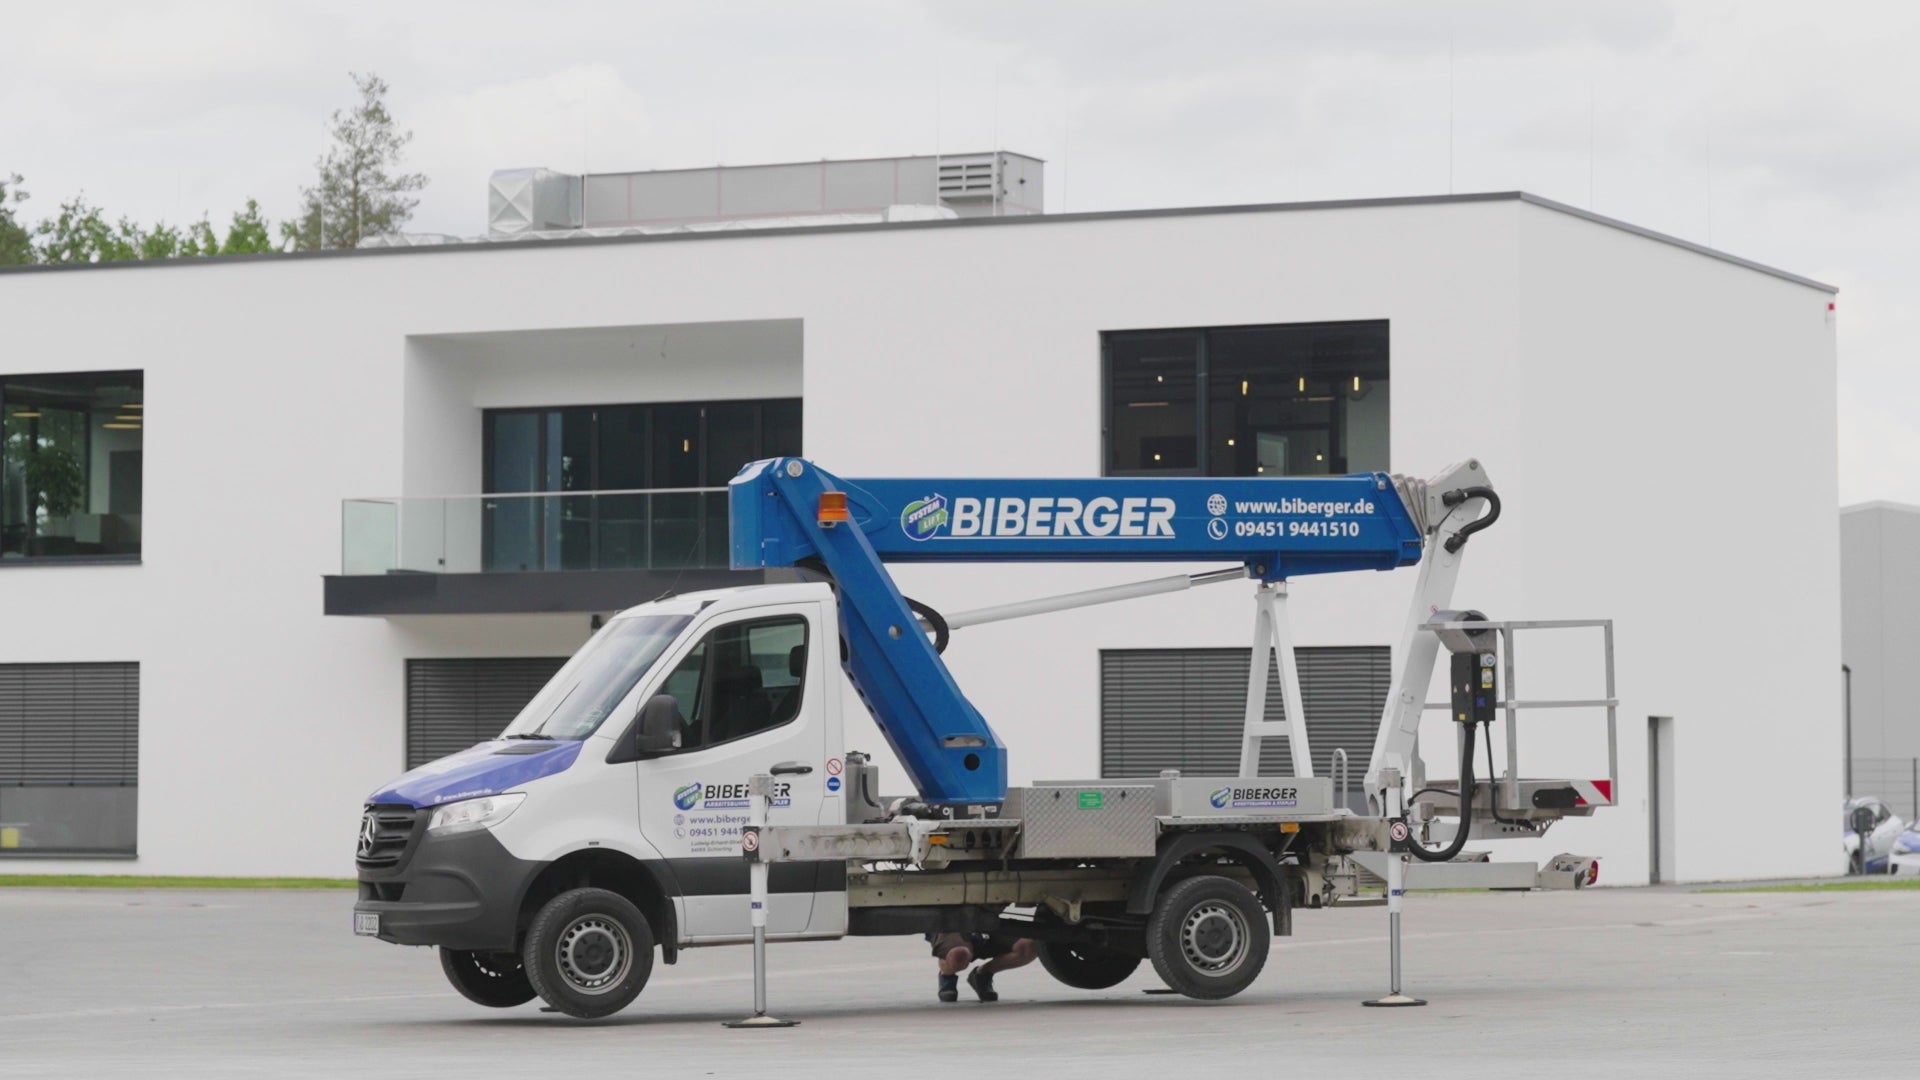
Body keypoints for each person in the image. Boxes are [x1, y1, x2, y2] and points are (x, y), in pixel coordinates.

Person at [928, 931, 1034, 1002]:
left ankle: (982, 974)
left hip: (988, 917)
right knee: (958, 955)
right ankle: (947, 976)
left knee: (1030, 946)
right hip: (953, 921)